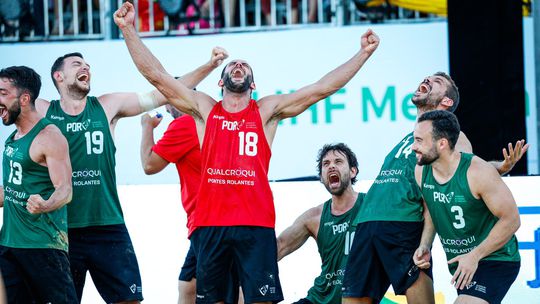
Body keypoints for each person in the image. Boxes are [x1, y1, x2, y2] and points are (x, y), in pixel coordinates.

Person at [114, 2, 379, 302]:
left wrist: (363, 54)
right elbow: (158, 77)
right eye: (233, 65)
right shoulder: (204, 109)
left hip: (256, 225)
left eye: (244, 67)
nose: (238, 67)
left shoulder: (265, 111)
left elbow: (321, 88)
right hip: (211, 225)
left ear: (252, 83)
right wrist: (128, 30)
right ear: (221, 80)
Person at [32, 49, 225, 303]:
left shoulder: (106, 105)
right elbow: (12, 99)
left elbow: (164, 92)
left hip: (107, 225)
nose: (86, 68)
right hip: (62, 229)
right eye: (77, 64)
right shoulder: (44, 110)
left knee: (129, 299)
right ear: (58, 75)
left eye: (88, 65)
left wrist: (209, 65)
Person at [342, 72, 528, 304]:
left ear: (446, 101)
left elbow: (466, 170)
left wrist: (499, 167)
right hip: (369, 221)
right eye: (427, 78)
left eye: (436, 82)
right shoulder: (415, 140)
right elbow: (439, 191)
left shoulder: (452, 137)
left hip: (404, 222)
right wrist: (425, 245)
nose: (427, 80)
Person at [412, 110, 521, 303]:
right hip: (462, 263)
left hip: (496, 258)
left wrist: (474, 255)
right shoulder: (421, 171)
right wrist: (425, 244)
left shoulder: (478, 172)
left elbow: (512, 220)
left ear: (442, 143)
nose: (413, 147)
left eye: (420, 140)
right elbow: (432, 210)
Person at [0, 66, 77, 303]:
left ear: (24, 99)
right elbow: (9, 193)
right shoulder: (13, 138)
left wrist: (45, 205)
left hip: (43, 247)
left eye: (3, 93)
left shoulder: (49, 136)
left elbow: (65, 190)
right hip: (9, 245)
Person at [277, 143, 366, 304]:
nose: (331, 166)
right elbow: (280, 246)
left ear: (353, 171)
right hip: (319, 299)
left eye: (338, 161)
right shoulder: (314, 217)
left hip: (358, 296)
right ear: (321, 177)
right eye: (326, 164)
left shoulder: (371, 206)